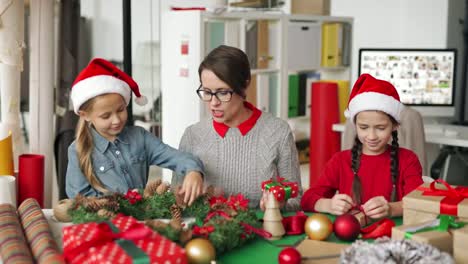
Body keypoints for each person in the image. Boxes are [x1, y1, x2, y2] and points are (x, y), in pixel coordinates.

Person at [66, 58, 204, 205]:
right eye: (106, 116)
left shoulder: (140, 137)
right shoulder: (77, 150)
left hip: (141, 221)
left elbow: (176, 157)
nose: (116, 120)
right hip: (104, 222)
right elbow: (78, 197)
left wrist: (193, 171)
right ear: (85, 115)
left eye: (121, 110)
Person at [179, 45, 302, 210]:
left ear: (244, 86)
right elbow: (176, 200)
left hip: (264, 231)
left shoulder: (278, 132)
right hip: (207, 232)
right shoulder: (192, 135)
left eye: (222, 92)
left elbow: (296, 199)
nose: (213, 102)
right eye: (207, 92)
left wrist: (280, 205)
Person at [301, 74, 423, 219]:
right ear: (355, 125)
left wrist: (391, 209)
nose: (371, 136)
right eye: (364, 127)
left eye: (381, 128)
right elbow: (307, 199)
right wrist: (328, 204)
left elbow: (419, 203)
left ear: (394, 126)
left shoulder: (407, 159)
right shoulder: (340, 161)